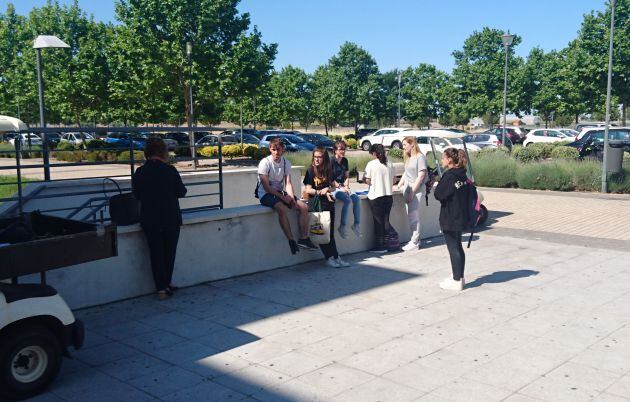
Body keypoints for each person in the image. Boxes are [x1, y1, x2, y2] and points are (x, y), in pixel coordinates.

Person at [132, 137, 187, 300]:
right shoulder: (170, 170)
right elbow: (181, 192)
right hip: (171, 217)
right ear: (163, 152)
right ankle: (166, 283)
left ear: (147, 152)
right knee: (169, 253)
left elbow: (137, 195)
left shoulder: (140, 172)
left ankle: (161, 288)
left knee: (156, 253)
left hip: (150, 219)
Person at [257, 138, 317, 254]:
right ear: (270, 149)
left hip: (279, 192)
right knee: (281, 208)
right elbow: (267, 188)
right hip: (265, 194)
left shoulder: (286, 163)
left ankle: (303, 238)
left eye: (278, 149)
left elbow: (288, 183)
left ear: (283, 150)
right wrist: (284, 198)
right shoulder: (265, 163)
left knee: (303, 207)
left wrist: (291, 197)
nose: (276, 152)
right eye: (273, 150)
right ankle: (291, 241)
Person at [303, 147, 351, 268]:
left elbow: (334, 187)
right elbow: (307, 189)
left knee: (330, 233)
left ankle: (335, 257)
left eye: (319, 157)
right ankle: (329, 258)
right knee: (322, 232)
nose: (317, 159)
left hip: (329, 203)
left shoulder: (328, 170)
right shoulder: (310, 170)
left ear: (324, 158)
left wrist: (328, 189)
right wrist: (320, 192)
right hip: (317, 204)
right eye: (315, 157)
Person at [434, 148, 473, 291]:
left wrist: (440, 183)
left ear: (450, 160)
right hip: (460, 215)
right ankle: (459, 276)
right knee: (458, 246)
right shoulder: (462, 174)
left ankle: (456, 281)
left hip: (450, 216)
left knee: (453, 248)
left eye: (443, 158)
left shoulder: (449, 176)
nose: (442, 160)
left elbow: (438, 194)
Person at [394, 137, 427, 251]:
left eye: (404, 145)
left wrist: (413, 192)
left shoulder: (420, 157)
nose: (403, 147)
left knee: (414, 216)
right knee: (411, 216)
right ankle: (415, 239)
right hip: (408, 190)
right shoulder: (409, 157)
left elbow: (421, 175)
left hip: (415, 191)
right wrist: (399, 185)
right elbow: (406, 173)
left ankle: (414, 241)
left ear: (412, 144)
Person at [364, 144, 396, 253]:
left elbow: (367, 180)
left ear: (374, 153)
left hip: (376, 196)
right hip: (388, 196)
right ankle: (388, 244)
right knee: (386, 220)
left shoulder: (371, 164)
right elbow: (394, 180)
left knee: (378, 222)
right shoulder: (390, 163)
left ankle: (379, 246)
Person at [331, 140, 361, 239]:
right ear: (335, 150)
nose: (343, 151)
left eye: (344, 149)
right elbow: (330, 179)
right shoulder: (331, 161)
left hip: (343, 187)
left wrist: (347, 187)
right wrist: (340, 188)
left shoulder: (345, 161)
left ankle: (356, 224)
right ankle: (342, 226)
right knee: (347, 200)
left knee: (356, 198)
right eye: (340, 149)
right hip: (333, 187)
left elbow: (347, 177)